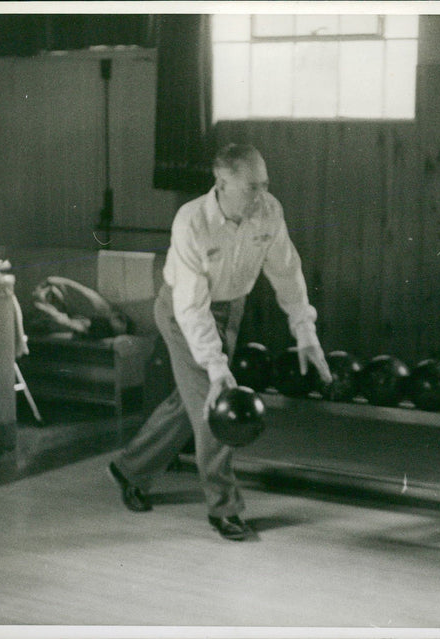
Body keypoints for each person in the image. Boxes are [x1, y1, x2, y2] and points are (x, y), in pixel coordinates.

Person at [108, 143, 332, 541]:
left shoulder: (269, 212)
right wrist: (216, 368)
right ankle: (224, 509)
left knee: (192, 401)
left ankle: (131, 468)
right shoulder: (191, 221)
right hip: (182, 312)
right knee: (218, 408)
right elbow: (192, 307)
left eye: (265, 185)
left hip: (231, 309)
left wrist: (305, 331)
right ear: (222, 182)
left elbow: (287, 272)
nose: (260, 196)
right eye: (251, 188)